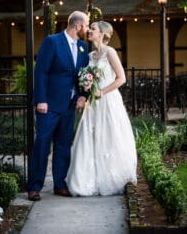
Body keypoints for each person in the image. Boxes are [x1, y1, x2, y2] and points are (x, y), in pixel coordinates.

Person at [66, 21, 137, 196]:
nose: (89, 31)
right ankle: (87, 180)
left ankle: (111, 177)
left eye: (93, 29)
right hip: (93, 104)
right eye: (89, 28)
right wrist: (86, 94)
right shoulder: (89, 56)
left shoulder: (110, 52)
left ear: (103, 34)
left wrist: (101, 92)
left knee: (109, 136)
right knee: (89, 137)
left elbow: (121, 79)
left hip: (109, 101)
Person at [27, 11, 89, 201]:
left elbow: (85, 75)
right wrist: (41, 100)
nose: (87, 29)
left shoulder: (82, 47)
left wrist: (83, 95)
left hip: (69, 106)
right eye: (86, 26)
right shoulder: (52, 42)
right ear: (77, 26)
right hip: (49, 105)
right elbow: (41, 72)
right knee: (42, 146)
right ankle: (34, 187)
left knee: (63, 146)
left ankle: (59, 184)